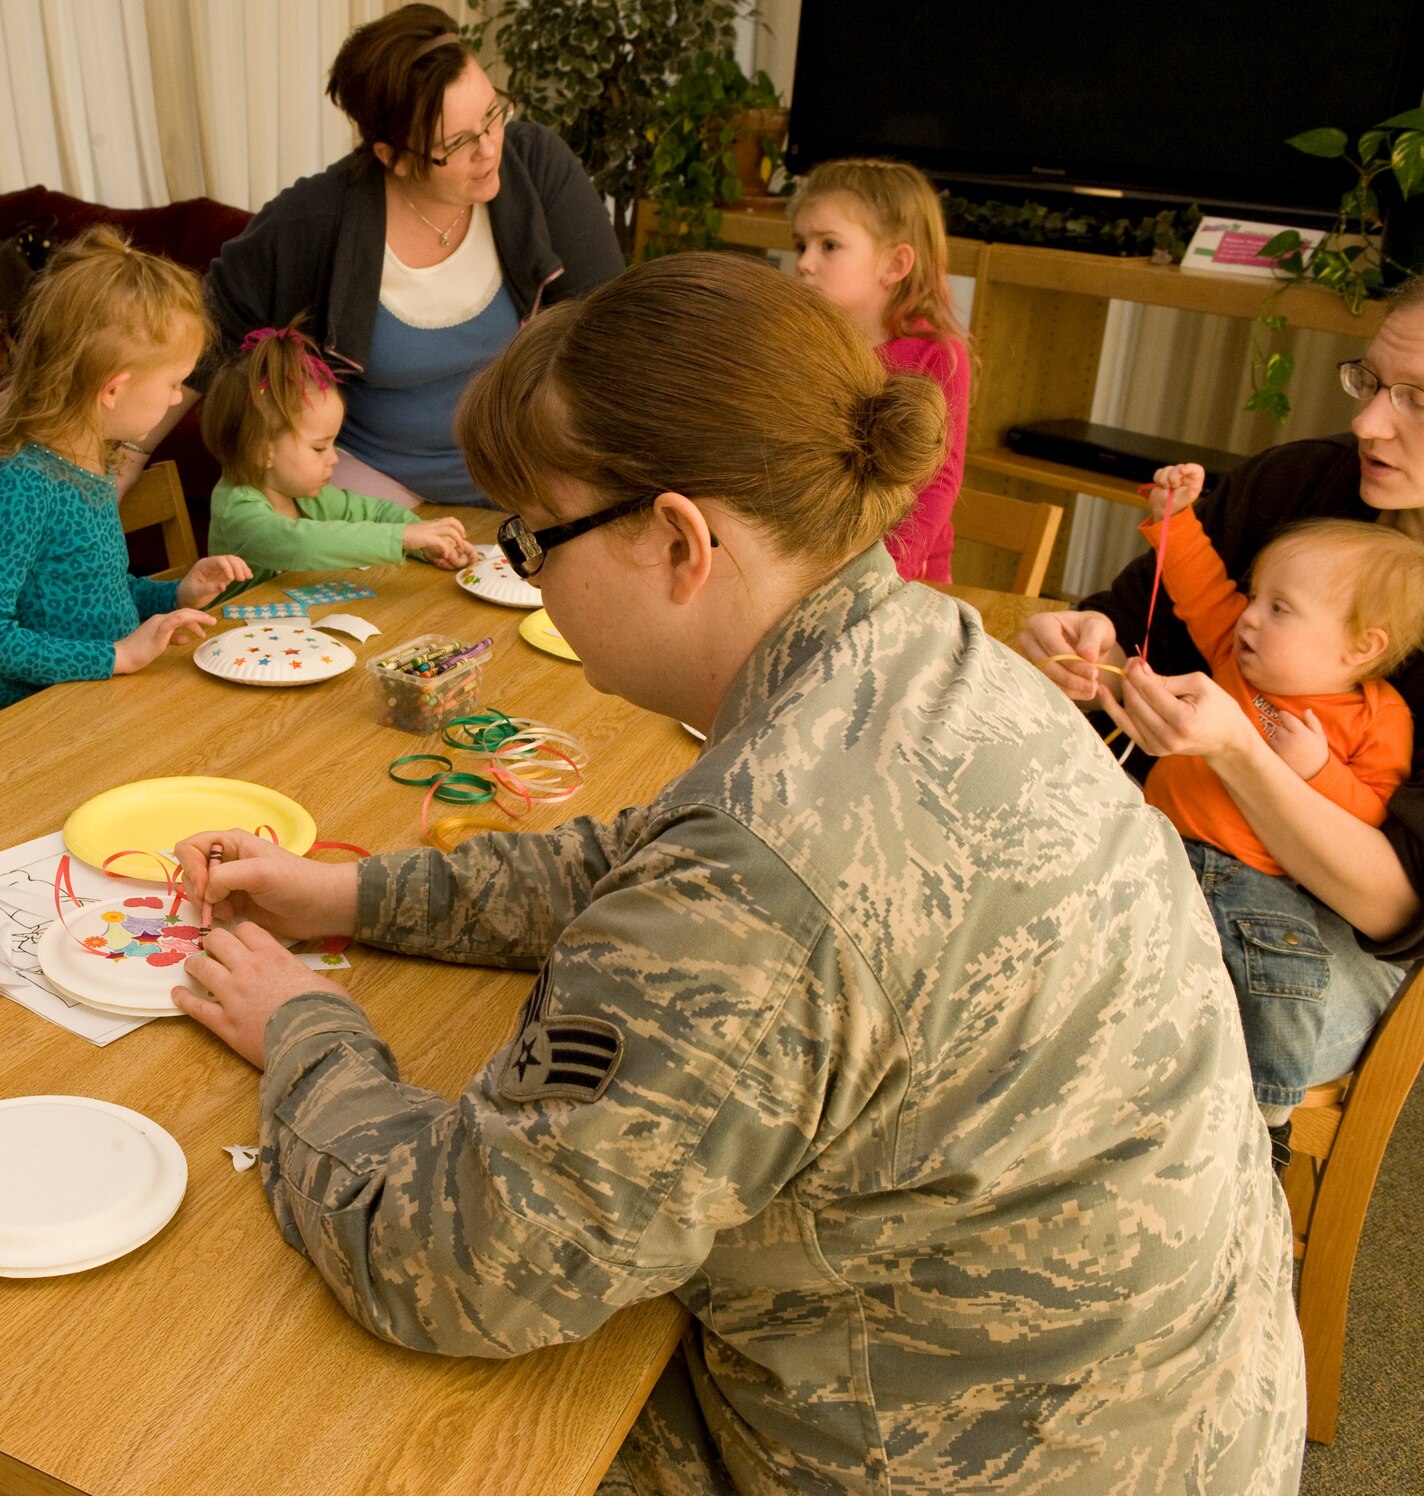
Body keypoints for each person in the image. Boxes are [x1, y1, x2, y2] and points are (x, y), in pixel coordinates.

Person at [168, 254, 1301, 1493]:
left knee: (322, 1426)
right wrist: (347, 893)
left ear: (676, 540)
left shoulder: (758, 879)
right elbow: (656, 853)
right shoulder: (915, 643)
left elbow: (456, 1262)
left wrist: (309, 1030)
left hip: (993, 1455)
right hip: (1167, 1405)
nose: (526, 573)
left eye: (529, 537)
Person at [1019, 276, 1424, 1130]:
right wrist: (1083, 647)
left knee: (1128, 1021)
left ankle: (1239, 1188)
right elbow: (1137, 623)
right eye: (1372, 384)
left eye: (1416, 400)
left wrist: (1241, 753)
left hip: (1339, 928)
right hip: (1180, 838)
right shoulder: (1298, 485)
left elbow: (1395, 908)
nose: (1367, 424)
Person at [151, 3, 623, 509]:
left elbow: (609, 333)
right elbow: (203, 332)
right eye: (457, 142)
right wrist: (118, 459)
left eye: (492, 114)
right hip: (371, 488)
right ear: (391, 156)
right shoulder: (318, 218)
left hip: (528, 475)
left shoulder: (535, 169)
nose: (489, 149)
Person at [1132, 462, 1424, 1162]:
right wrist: (1172, 517)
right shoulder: (1239, 651)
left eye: (1278, 608)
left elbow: (1372, 815)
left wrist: (1317, 771)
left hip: (1260, 886)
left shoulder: (1379, 722)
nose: (1250, 616)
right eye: (1256, 596)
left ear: (1362, 646)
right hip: (1157, 839)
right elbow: (1199, 587)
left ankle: (1265, 1125)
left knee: (1285, 982)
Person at [0, 228, 252, 707]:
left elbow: (95, 594)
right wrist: (114, 657)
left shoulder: (95, 464)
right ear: (113, 389)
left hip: (104, 702)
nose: (178, 399)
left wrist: (175, 596)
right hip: (45, 719)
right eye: (174, 383)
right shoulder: (22, 484)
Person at [789, 158, 970, 582]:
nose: (804, 262)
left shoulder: (936, 355)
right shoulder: (808, 343)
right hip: (811, 565)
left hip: (903, 580)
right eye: (801, 245)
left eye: (828, 246)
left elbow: (937, 484)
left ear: (894, 265)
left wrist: (882, 576)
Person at [201, 323, 478, 583]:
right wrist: (403, 537)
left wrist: (427, 543)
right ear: (262, 452)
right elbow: (303, 543)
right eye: (319, 447)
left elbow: (378, 512)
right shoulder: (237, 511)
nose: (333, 458)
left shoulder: (304, 495)